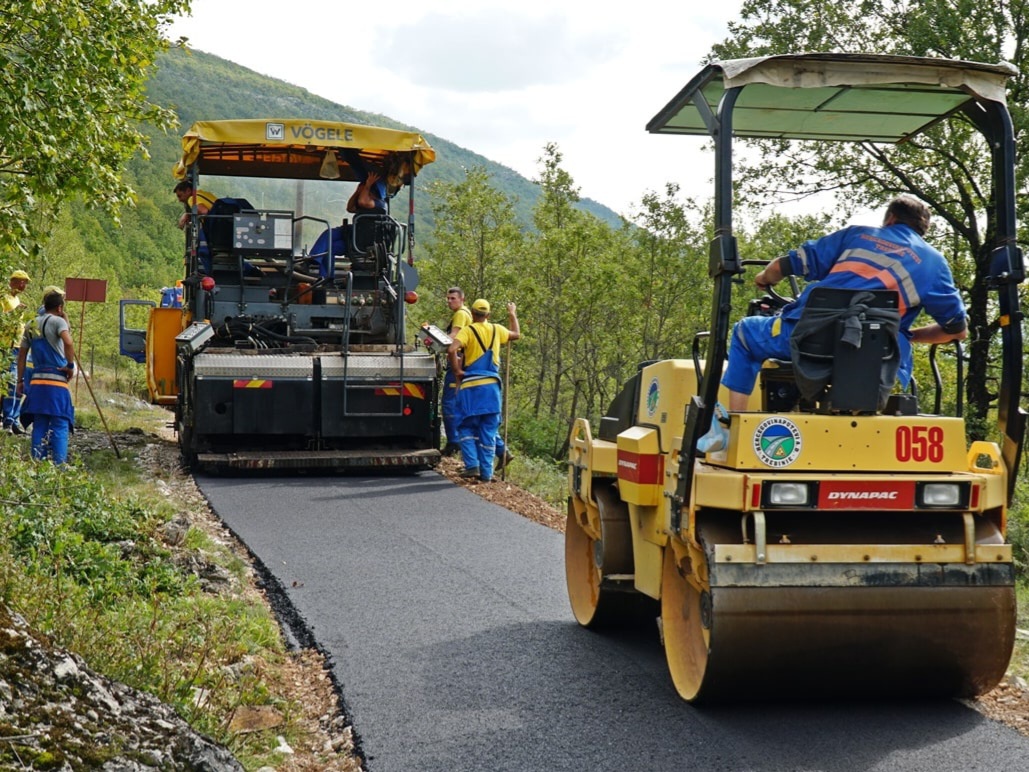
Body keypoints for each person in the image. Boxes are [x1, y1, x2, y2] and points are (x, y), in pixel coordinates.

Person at [701, 195, 966, 449]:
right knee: (883, 352)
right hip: (877, 357)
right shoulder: (935, 264)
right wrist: (907, 336)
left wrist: (765, 278)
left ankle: (734, 429)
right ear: (923, 230)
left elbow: (790, 263)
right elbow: (956, 330)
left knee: (745, 333)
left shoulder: (857, 236)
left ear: (890, 219)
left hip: (808, 339)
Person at [441, 286, 514, 469]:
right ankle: (496, 459)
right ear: (488, 314)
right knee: (486, 423)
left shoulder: (466, 326)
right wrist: (512, 314)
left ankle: (467, 459)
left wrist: (457, 370)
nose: (449, 301)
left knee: (465, 419)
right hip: (492, 384)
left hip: (471, 380)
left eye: (452, 298)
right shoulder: (497, 330)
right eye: (448, 298)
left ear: (472, 313)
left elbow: (452, 347)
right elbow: (517, 334)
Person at [16, 290, 76, 465]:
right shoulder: (58, 322)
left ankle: (38, 464)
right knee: (60, 422)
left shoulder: (30, 324)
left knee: (40, 422)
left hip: (36, 381)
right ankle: (59, 466)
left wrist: (20, 381)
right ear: (59, 307)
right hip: (56, 381)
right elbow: (69, 341)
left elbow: (21, 355)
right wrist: (70, 366)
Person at [2, 269, 30, 433]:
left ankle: (12, 419)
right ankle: (8, 419)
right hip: (6, 347)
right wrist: (15, 313)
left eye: (25, 282)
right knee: (11, 383)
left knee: (18, 383)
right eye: (21, 281)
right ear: (12, 281)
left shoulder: (16, 298)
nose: (23, 285)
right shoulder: (4, 298)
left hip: (17, 347)